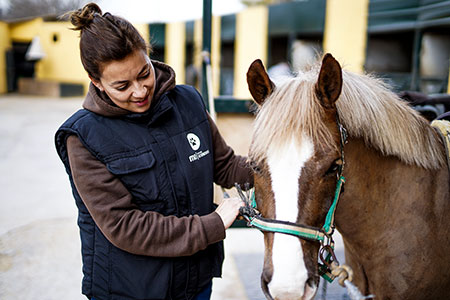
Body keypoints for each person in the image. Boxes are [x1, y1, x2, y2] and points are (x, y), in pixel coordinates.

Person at [54, 3, 253, 300]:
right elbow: (125, 226)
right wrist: (212, 225)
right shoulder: (83, 137)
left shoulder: (188, 101)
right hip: (131, 290)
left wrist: (280, 168)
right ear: (97, 82)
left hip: (196, 283)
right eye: (122, 86)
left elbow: (223, 165)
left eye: (143, 73)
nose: (139, 91)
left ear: (149, 55)